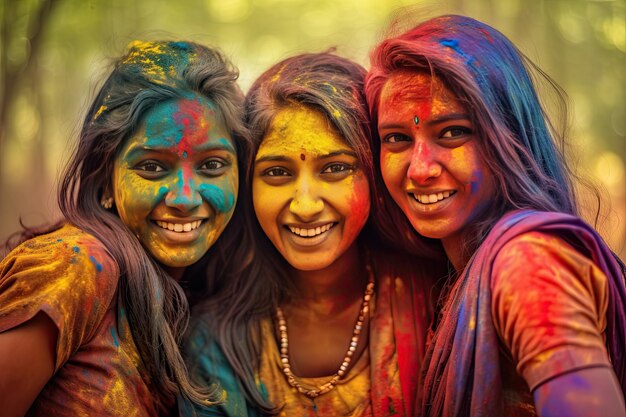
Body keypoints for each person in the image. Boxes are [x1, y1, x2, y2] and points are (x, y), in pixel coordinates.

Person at [364, 14, 626, 417]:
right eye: (396, 139)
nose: (419, 169)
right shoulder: (452, 269)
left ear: (507, 136)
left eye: (452, 132)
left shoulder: (529, 262)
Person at [182, 51, 446, 417]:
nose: (305, 206)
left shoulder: (437, 299)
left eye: (335, 168)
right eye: (277, 173)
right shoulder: (214, 340)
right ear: (246, 183)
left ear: (374, 174)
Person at [0, 40, 249, 416]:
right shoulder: (76, 265)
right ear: (105, 177)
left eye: (212, 166)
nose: (184, 198)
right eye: (151, 167)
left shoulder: (202, 292)